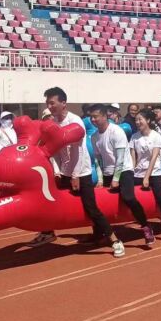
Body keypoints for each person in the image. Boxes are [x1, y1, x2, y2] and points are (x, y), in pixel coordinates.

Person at [28, 88, 125, 258]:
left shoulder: (75, 121)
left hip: (81, 172)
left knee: (91, 208)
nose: (49, 106)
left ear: (63, 103)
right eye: (47, 103)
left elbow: (79, 152)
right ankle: (48, 232)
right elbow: (55, 152)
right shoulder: (53, 124)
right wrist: (57, 172)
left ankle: (115, 240)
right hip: (64, 171)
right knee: (49, 199)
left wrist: (75, 175)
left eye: (52, 103)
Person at [90, 104, 153, 246]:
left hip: (124, 170)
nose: (93, 120)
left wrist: (116, 179)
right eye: (91, 117)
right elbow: (98, 160)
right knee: (98, 201)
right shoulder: (94, 137)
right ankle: (98, 233)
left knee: (128, 197)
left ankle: (146, 226)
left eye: (95, 116)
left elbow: (120, 158)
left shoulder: (116, 132)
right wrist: (100, 179)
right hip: (107, 171)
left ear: (105, 116)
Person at [130, 109, 161, 241]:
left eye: (140, 119)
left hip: (153, 172)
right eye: (136, 120)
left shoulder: (156, 136)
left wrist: (147, 177)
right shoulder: (134, 137)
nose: (138, 122)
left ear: (148, 120)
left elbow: (154, 157)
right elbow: (133, 157)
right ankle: (145, 225)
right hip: (138, 172)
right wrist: (131, 173)